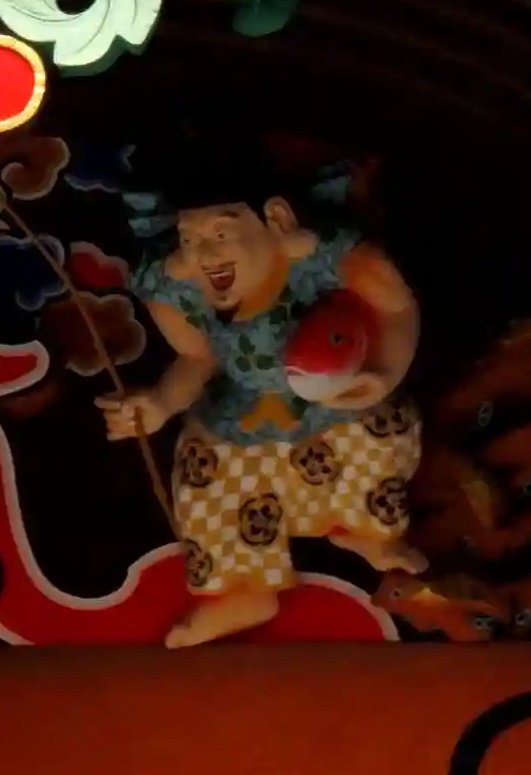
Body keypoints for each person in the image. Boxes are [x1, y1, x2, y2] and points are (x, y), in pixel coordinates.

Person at [99, 150, 424, 647]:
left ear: (274, 218)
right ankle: (243, 590)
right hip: (238, 417)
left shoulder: (324, 260)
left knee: (378, 431)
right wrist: (159, 405)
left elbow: (397, 309)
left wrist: (383, 374)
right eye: (190, 239)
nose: (206, 256)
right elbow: (197, 357)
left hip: (330, 402)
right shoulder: (177, 284)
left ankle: (363, 529)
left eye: (221, 234)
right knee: (205, 473)